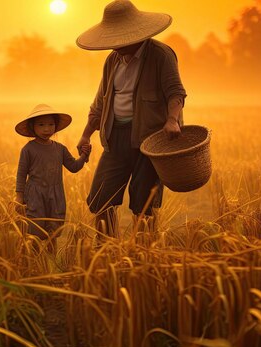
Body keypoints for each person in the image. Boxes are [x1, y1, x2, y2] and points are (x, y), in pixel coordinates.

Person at [75, 0, 187, 236]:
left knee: (143, 203)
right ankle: (105, 253)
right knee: (100, 199)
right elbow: (100, 103)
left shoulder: (161, 56)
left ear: (135, 34)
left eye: (119, 39)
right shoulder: (113, 60)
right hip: (116, 138)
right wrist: (86, 134)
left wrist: (172, 120)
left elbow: (176, 92)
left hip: (150, 140)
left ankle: (144, 258)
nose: (115, 45)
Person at [15, 104, 92, 252]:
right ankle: (36, 262)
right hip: (35, 194)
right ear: (32, 127)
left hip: (56, 195)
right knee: (35, 229)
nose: (47, 129)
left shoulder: (60, 149)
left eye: (51, 124)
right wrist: (19, 196)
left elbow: (74, 167)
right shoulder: (28, 150)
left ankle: (51, 260)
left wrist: (84, 155)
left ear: (56, 127)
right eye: (41, 125)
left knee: (54, 231)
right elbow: (21, 173)